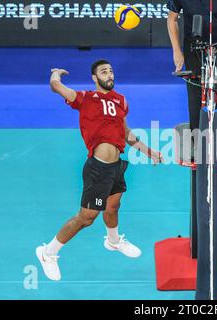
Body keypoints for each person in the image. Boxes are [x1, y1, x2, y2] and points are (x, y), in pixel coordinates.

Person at [36, 60, 163, 281]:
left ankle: (113, 241)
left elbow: (125, 132)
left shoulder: (121, 101)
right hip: (98, 168)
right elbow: (56, 87)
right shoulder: (85, 98)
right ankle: (48, 252)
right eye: (104, 71)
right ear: (95, 78)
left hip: (116, 166)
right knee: (86, 218)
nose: (109, 74)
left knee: (113, 207)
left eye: (111, 71)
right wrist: (56, 74)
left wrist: (148, 150)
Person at [167, 0, 217, 152]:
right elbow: (172, 19)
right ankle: (197, 142)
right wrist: (177, 51)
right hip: (193, 48)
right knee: (195, 93)